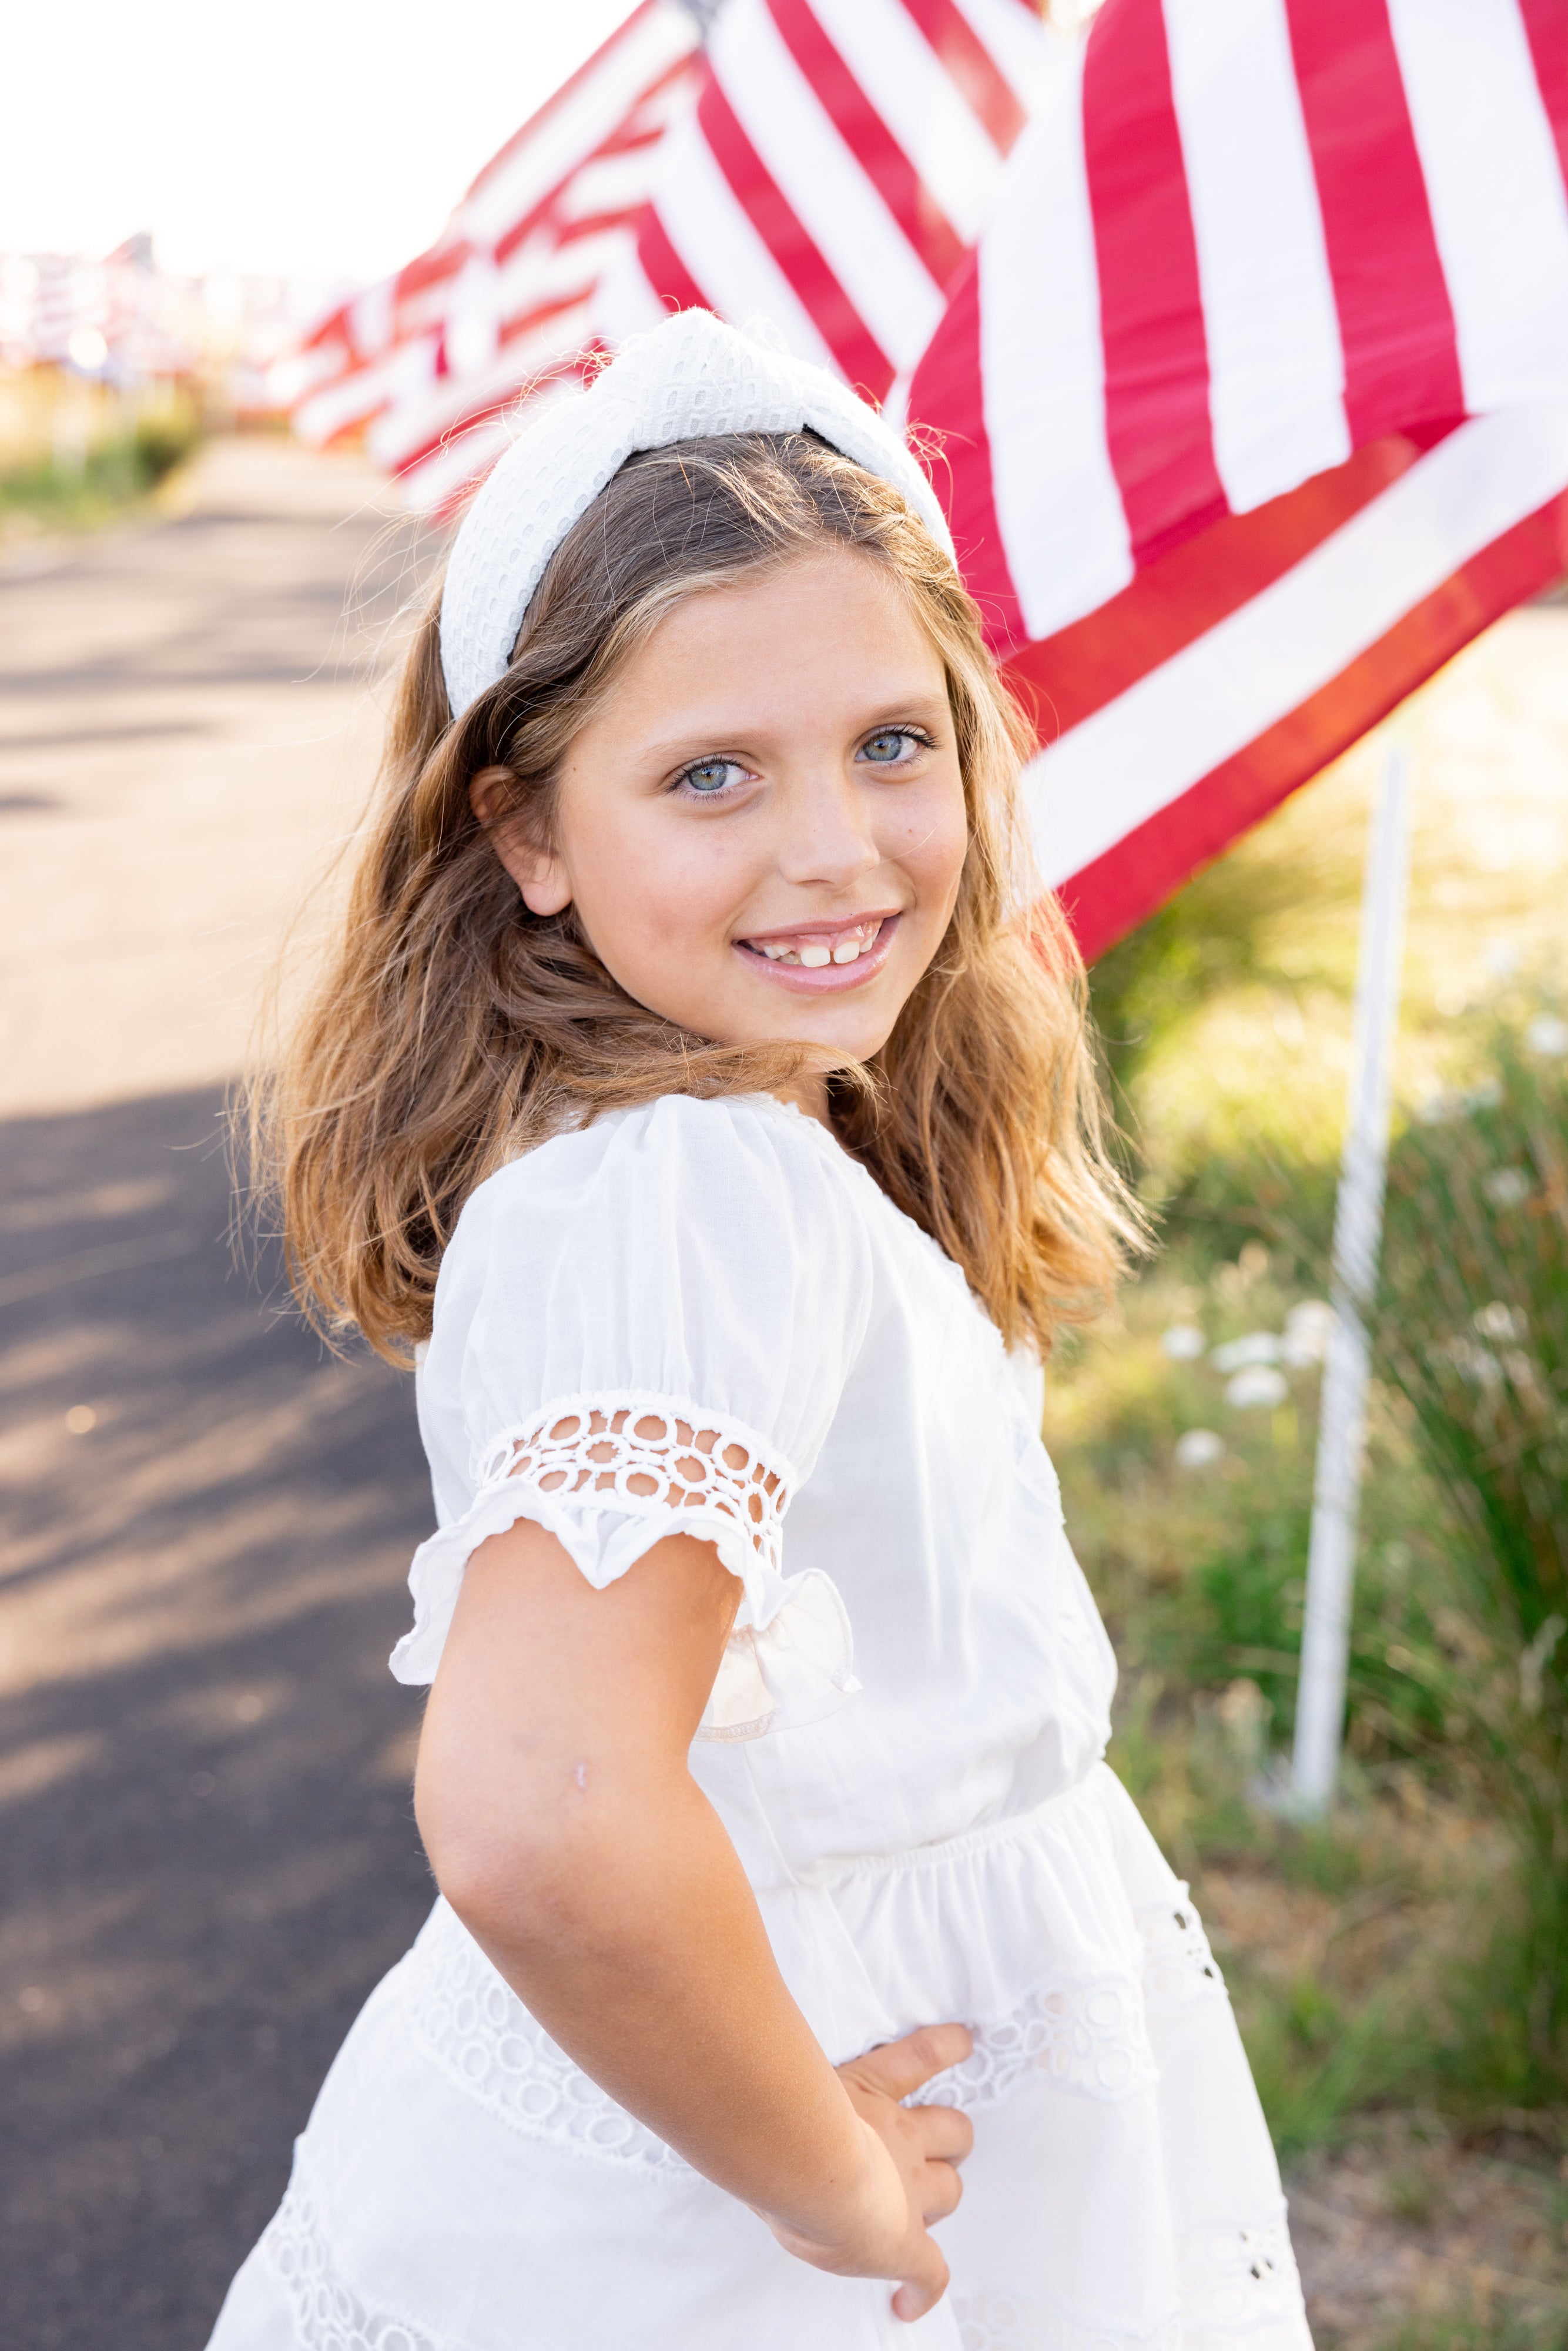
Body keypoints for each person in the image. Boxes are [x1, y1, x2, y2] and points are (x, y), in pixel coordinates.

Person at [209, 311, 1312, 2351]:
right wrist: (828, 2173)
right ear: (524, 835)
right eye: (710, 773)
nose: (832, 847)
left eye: (891, 743)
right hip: (769, 2192)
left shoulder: (729, 1158)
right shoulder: (684, 1191)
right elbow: (543, 1814)